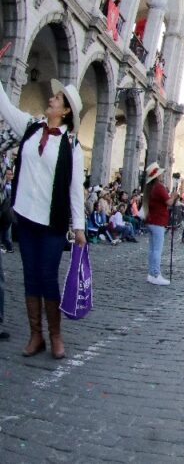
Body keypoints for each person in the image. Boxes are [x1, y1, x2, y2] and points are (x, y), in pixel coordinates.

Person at [0, 77, 86, 359]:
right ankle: (35, 335)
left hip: (52, 222)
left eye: (57, 98)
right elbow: (5, 106)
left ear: (65, 111)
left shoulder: (72, 145)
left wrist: (79, 227)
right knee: (30, 275)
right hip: (26, 216)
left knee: (48, 276)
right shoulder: (30, 127)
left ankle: (55, 336)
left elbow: (75, 188)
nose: (51, 99)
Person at [140, 162, 179, 285]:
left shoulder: (150, 188)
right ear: (157, 176)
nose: (162, 175)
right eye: (160, 174)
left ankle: (151, 273)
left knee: (152, 250)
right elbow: (169, 202)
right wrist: (174, 196)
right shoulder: (159, 187)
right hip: (158, 222)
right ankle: (156, 274)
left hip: (151, 221)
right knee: (157, 250)